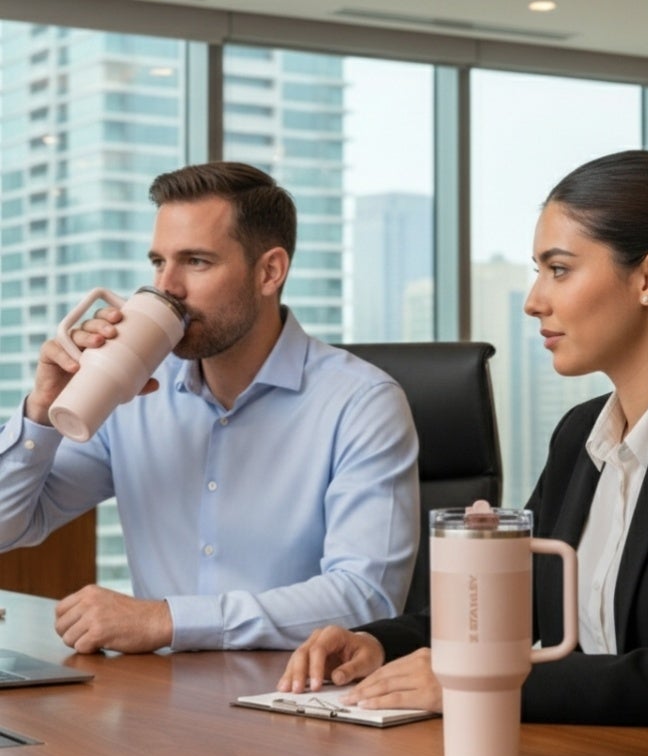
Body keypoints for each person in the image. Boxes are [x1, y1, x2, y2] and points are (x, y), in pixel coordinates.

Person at [279, 148, 648, 726]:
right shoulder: (581, 435)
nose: (534, 301)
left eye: (559, 269)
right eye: (538, 271)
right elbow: (515, 600)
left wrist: (486, 685)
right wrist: (379, 643)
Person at [0, 161, 420, 654]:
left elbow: (367, 596)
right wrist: (43, 411)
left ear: (269, 271)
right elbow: (11, 526)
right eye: (159, 262)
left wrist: (168, 620)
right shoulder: (132, 393)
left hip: (295, 702)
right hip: (158, 700)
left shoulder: (361, 403)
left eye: (196, 261)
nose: (167, 287)